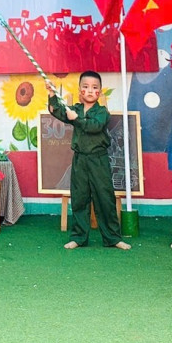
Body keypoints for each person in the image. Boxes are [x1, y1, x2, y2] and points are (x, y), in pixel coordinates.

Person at [47, 72, 129, 251]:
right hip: (80, 159)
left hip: (98, 160)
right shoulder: (74, 109)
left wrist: (76, 119)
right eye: (85, 87)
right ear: (79, 91)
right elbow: (56, 111)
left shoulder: (102, 112)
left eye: (94, 87)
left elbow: (94, 126)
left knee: (105, 198)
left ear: (99, 92)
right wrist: (52, 94)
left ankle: (112, 238)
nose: (90, 91)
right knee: (79, 199)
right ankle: (79, 237)